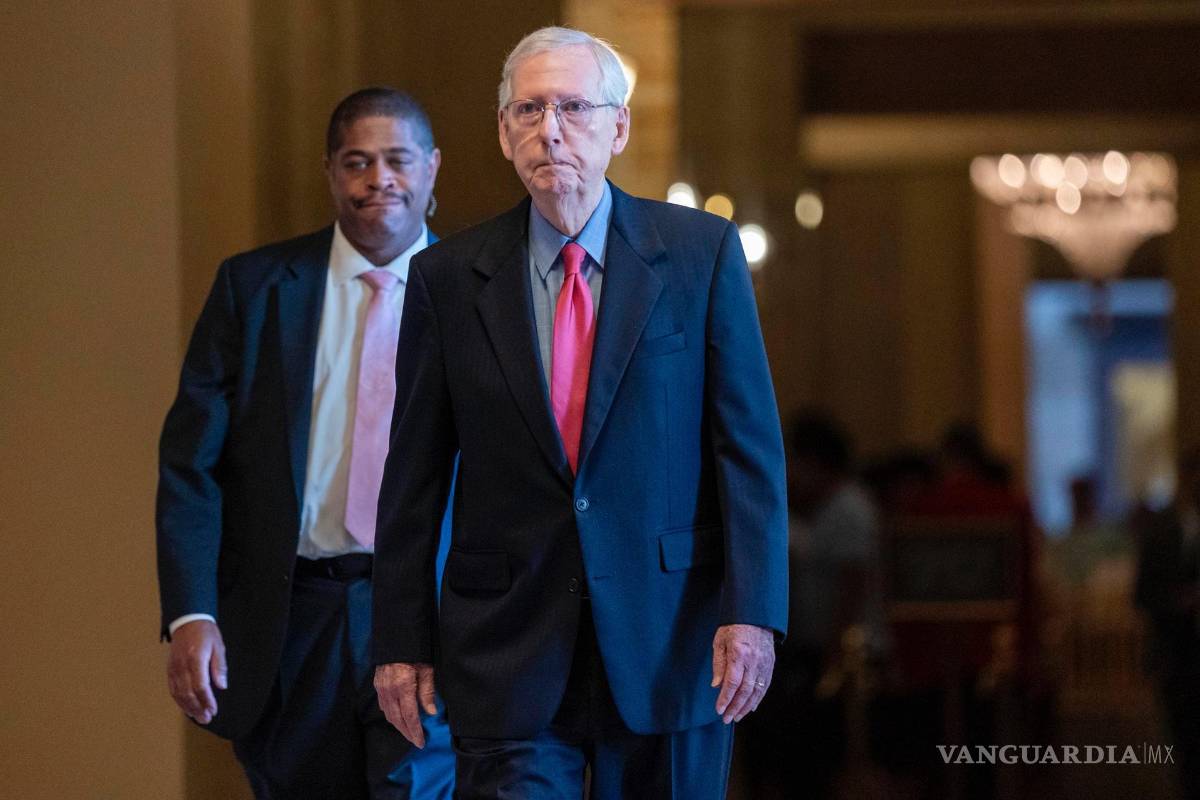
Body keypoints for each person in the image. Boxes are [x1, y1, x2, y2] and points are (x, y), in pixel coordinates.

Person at [370, 26, 788, 800]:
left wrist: (753, 611)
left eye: (572, 107)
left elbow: (748, 453)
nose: (549, 130)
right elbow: (414, 477)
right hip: (507, 644)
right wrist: (400, 639)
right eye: (527, 110)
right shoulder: (447, 278)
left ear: (618, 127)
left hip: (670, 637)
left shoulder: (700, 254)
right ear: (502, 133)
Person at [157, 87, 454, 799]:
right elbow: (192, 465)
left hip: (428, 621)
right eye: (356, 161)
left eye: (396, 160)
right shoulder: (255, 288)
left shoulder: (479, 294)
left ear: (432, 169)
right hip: (296, 620)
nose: (378, 178)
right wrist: (190, 612)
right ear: (330, 172)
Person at [743, 411, 885, 799]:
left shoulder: (850, 509)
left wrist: (834, 654)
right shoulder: (815, 511)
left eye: (796, 460)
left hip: (839, 651)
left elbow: (852, 586)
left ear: (816, 461)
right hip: (814, 647)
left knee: (823, 760)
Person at [1135, 447, 1200, 800]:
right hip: (1177, 655)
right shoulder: (1161, 530)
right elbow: (1143, 593)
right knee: (1185, 746)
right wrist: (1179, 602)